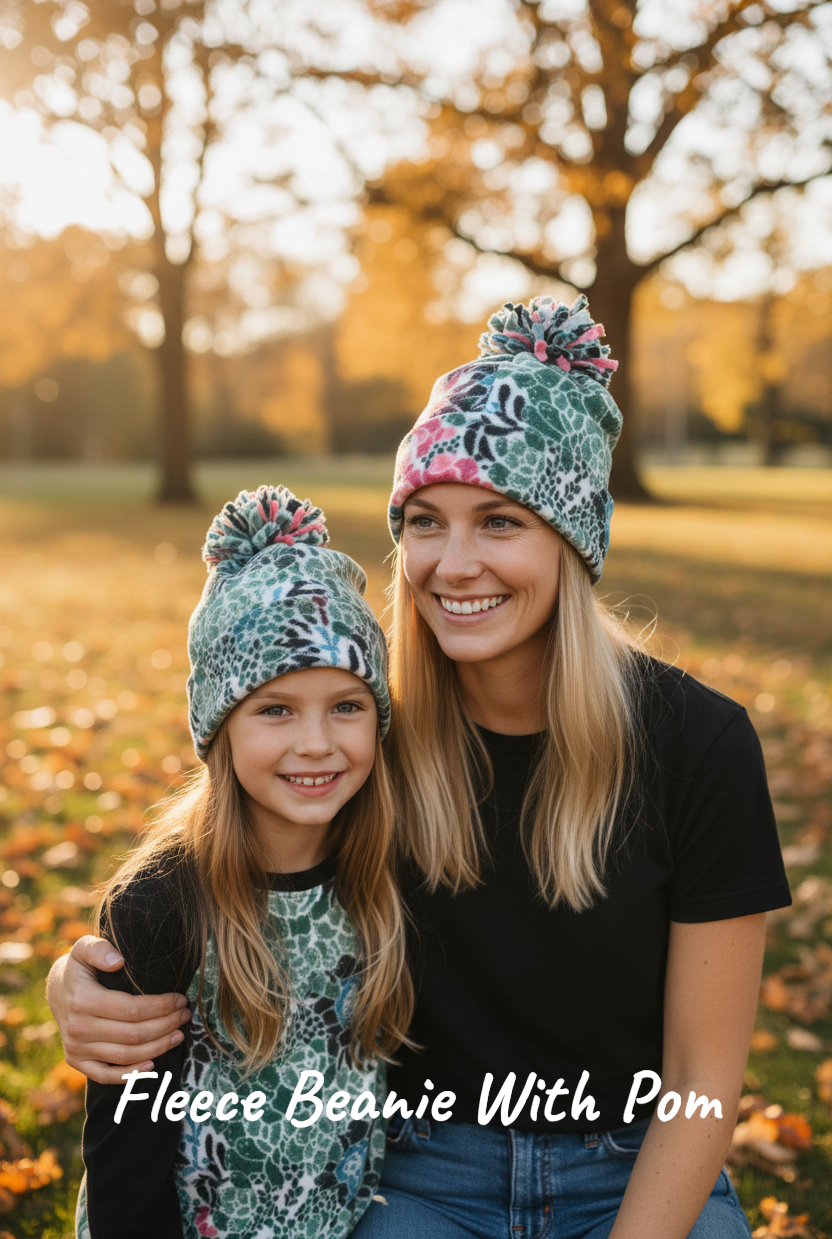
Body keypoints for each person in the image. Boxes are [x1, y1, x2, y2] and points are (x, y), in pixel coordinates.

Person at [49, 297, 791, 1239]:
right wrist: (86, 981)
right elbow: (213, 864)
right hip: (422, 1171)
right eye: (426, 522)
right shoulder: (363, 733)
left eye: (500, 522)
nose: (454, 562)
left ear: (572, 540)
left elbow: (700, 1078)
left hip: (635, 1164)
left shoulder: (698, 744)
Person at [73, 483, 412, 1239]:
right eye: (276, 709)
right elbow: (124, 1147)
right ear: (220, 729)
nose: (317, 742)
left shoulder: (383, 873)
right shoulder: (162, 904)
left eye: (347, 705)